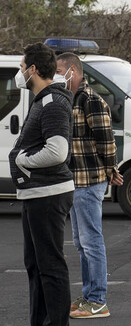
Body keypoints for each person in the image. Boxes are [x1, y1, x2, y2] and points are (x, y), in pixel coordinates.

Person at [9, 43, 75, 326]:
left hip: (48, 195)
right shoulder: (43, 99)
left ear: (34, 70)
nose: (20, 73)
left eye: (22, 68)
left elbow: (57, 151)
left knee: (50, 267)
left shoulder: (53, 102)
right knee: (36, 266)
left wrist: (23, 159)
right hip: (36, 194)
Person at [55, 53, 124, 319]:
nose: (57, 74)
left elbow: (106, 140)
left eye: (60, 70)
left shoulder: (90, 100)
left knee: (91, 242)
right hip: (75, 182)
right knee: (82, 243)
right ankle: (88, 296)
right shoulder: (69, 98)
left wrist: (111, 169)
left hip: (87, 181)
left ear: (73, 70)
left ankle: (97, 300)